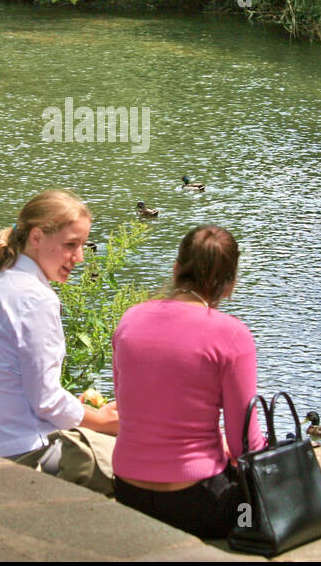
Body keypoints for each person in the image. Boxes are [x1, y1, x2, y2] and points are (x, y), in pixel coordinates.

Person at [0, 190, 119, 490]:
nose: (79, 257)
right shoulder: (34, 297)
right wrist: (103, 422)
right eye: (71, 245)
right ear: (37, 237)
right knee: (135, 468)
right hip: (18, 453)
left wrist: (82, 411)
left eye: (81, 245)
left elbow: (13, 382)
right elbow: (45, 401)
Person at [109, 225, 264, 539]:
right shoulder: (232, 335)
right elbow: (244, 445)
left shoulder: (130, 318)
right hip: (197, 505)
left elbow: (129, 406)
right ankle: (246, 538)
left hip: (128, 492)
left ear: (177, 268)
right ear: (231, 284)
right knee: (253, 505)